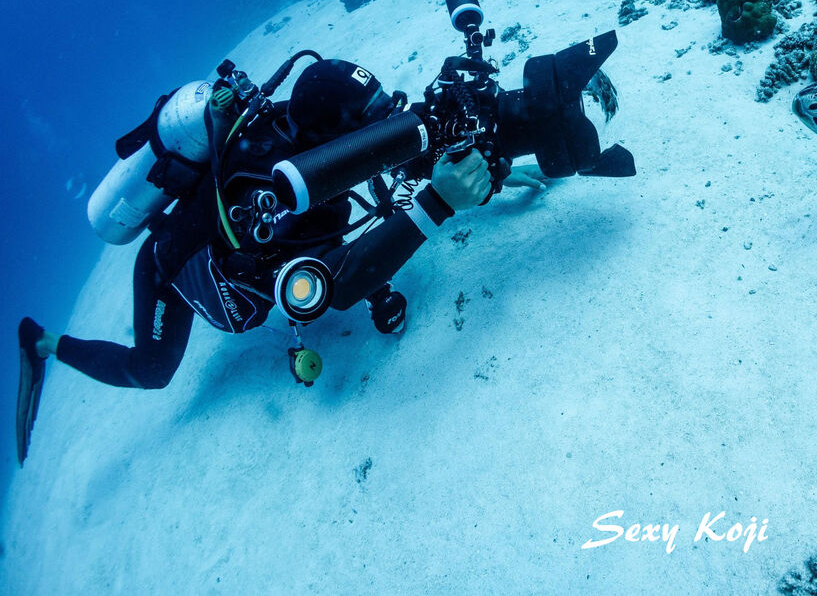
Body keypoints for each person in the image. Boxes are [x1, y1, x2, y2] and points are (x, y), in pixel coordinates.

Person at [16, 58, 547, 465]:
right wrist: (441, 202)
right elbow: (337, 286)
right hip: (168, 266)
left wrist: (490, 176)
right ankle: (42, 343)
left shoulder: (305, 135)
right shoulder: (272, 200)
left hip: (243, 227)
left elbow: (398, 155)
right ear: (331, 140)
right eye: (367, 129)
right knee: (150, 370)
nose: (383, 135)